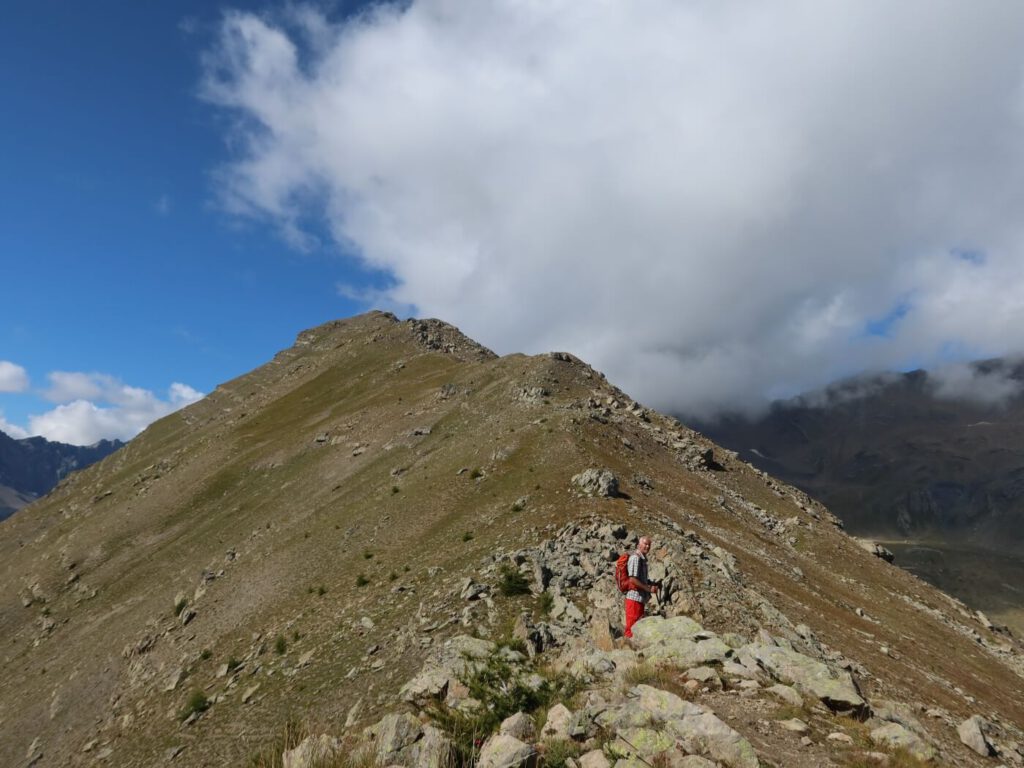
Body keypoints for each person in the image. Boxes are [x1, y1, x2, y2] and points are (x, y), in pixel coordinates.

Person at [624, 536, 659, 638]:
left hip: (639, 599)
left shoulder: (642, 559)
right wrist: (649, 589)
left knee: (636, 629)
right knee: (631, 629)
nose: (647, 546)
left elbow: (640, 579)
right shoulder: (635, 558)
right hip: (634, 599)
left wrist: (651, 583)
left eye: (649, 544)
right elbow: (633, 579)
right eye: (645, 544)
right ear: (639, 545)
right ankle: (626, 651)